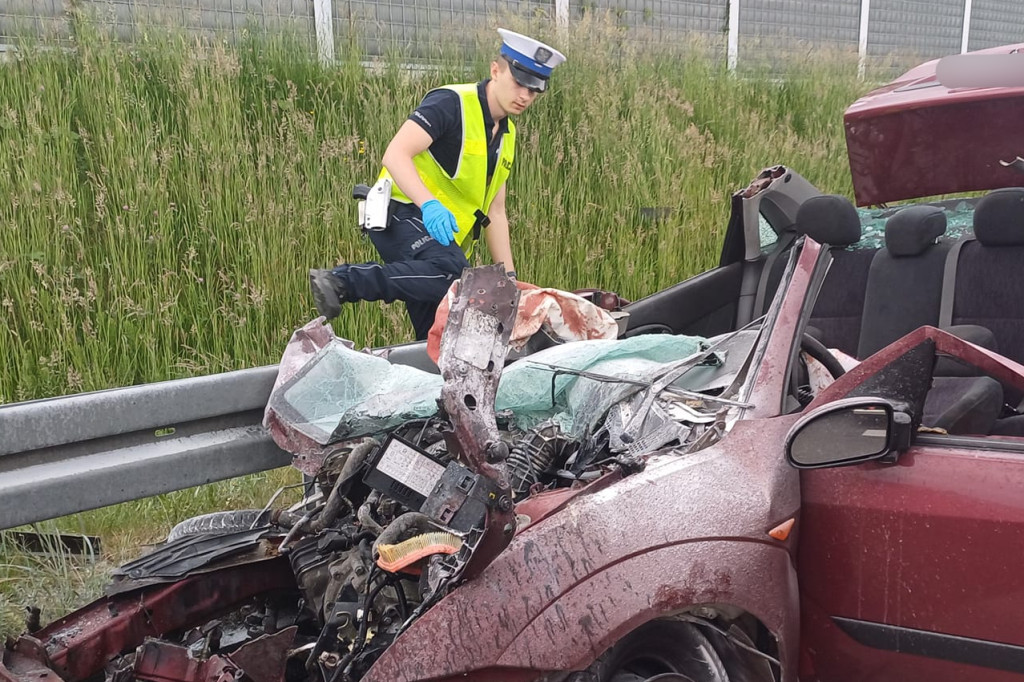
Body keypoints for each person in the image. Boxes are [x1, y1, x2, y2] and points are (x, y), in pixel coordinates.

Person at [309, 28, 566, 340]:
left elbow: (496, 213)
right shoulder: (451, 102)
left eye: (534, 90)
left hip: (440, 240)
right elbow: (395, 154)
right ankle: (341, 281)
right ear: (495, 70)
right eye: (519, 83)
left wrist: (509, 281)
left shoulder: (507, 137)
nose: (525, 95)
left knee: (441, 339)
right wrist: (429, 204)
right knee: (454, 275)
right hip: (400, 213)